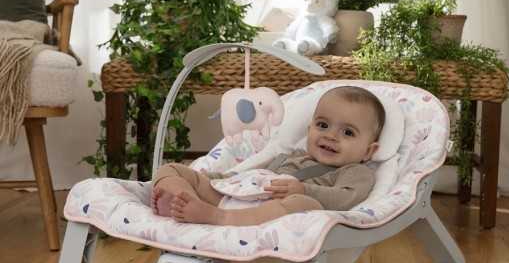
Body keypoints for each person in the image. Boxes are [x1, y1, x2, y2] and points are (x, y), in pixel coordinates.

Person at [151, 86, 385, 226]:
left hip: (273, 213)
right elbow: (253, 176)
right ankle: (184, 200)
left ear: (369, 151)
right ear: (309, 129)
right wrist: (214, 179)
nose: (330, 136)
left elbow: (347, 199)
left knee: (302, 204)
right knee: (173, 169)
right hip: (240, 196)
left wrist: (304, 190)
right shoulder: (291, 156)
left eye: (348, 132)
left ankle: (218, 218)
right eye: (323, 125)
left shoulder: (356, 172)